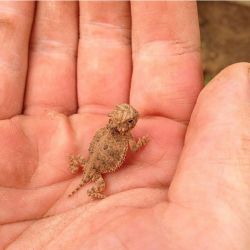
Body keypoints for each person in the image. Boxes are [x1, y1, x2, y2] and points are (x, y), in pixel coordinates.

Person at [0, 2, 249, 249]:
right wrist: (141, 144)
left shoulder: (111, 134)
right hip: (95, 169)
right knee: (95, 184)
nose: (135, 119)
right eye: (131, 120)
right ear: (121, 124)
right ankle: (93, 193)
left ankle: (82, 179)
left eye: (131, 117)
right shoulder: (123, 140)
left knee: (82, 168)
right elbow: (135, 146)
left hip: (88, 163)